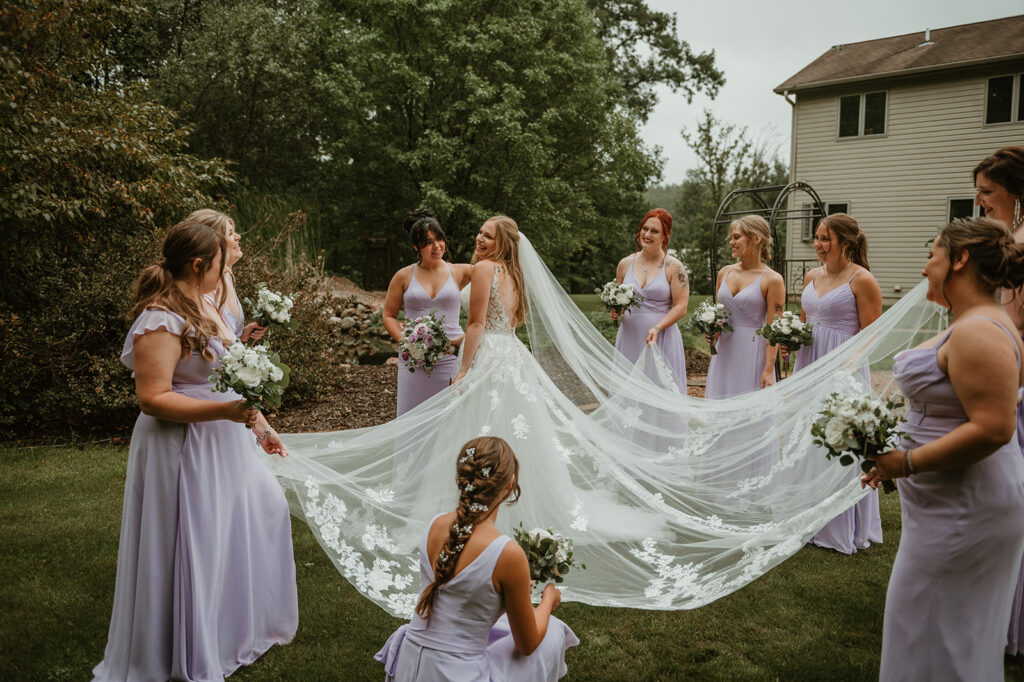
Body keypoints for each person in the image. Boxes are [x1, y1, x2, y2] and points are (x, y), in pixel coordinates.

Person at [92, 221, 297, 682]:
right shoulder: (159, 318)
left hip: (220, 441)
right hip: (179, 445)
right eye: (221, 263)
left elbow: (225, 373)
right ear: (200, 264)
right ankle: (178, 647)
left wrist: (260, 427)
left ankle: (227, 630)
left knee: (244, 522)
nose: (226, 271)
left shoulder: (205, 305)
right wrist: (224, 414)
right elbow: (152, 398)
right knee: (191, 543)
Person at [862, 217, 1024, 681]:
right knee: (938, 630)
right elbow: (951, 412)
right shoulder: (978, 323)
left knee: (932, 630)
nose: (923, 269)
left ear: (960, 259)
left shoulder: (980, 331)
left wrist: (906, 463)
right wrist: (891, 458)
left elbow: (994, 427)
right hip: (950, 503)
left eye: (930, 255)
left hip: (964, 508)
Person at [375, 437, 578, 680]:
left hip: (410, 666)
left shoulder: (434, 525)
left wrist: (504, 600)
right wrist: (548, 601)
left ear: (462, 479)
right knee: (552, 631)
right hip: (455, 674)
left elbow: (456, 602)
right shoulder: (507, 553)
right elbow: (528, 644)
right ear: (510, 484)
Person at [793, 213, 884, 554]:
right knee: (809, 437)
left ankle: (840, 526)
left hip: (844, 366)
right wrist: (790, 341)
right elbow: (804, 323)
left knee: (839, 442)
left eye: (825, 239)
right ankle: (809, 516)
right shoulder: (810, 276)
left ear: (845, 243)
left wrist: (846, 367)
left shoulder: (862, 280)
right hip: (810, 362)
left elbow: (871, 333)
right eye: (816, 237)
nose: (818, 244)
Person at [972, 146, 1024, 656]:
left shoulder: (1021, 247)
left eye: (987, 192)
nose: (979, 200)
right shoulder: (1005, 241)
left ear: (1016, 193)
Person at [382, 209, 471, 415]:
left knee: (448, 414)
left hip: (451, 354)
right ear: (416, 247)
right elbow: (388, 315)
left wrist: (474, 332)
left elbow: (492, 283)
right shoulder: (403, 276)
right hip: (413, 357)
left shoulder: (461, 271)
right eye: (428, 242)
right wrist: (407, 343)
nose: (436, 246)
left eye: (439, 239)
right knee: (412, 412)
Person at [704, 215, 785, 399]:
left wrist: (769, 370)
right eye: (731, 238)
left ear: (756, 238)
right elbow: (719, 316)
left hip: (752, 353)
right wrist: (712, 330)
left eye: (736, 237)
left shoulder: (772, 279)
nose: (731, 242)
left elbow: (774, 330)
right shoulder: (724, 272)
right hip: (724, 352)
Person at [610, 209, 689, 389]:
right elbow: (619, 299)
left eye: (654, 231)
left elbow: (681, 306)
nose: (647, 234)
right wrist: (616, 309)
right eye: (644, 229)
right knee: (628, 390)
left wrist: (657, 327)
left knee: (661, 389)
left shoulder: (674, 267)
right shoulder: (625, 264)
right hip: (629, 336)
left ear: (665, 235)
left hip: (661, 337)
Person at [186, 208, 266, 342]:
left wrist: (242, 335)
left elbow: (222, 337)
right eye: (230, 233)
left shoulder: (226, 276)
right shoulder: (204, 292)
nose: (238, 236)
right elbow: (221, 344)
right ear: (212, 243)